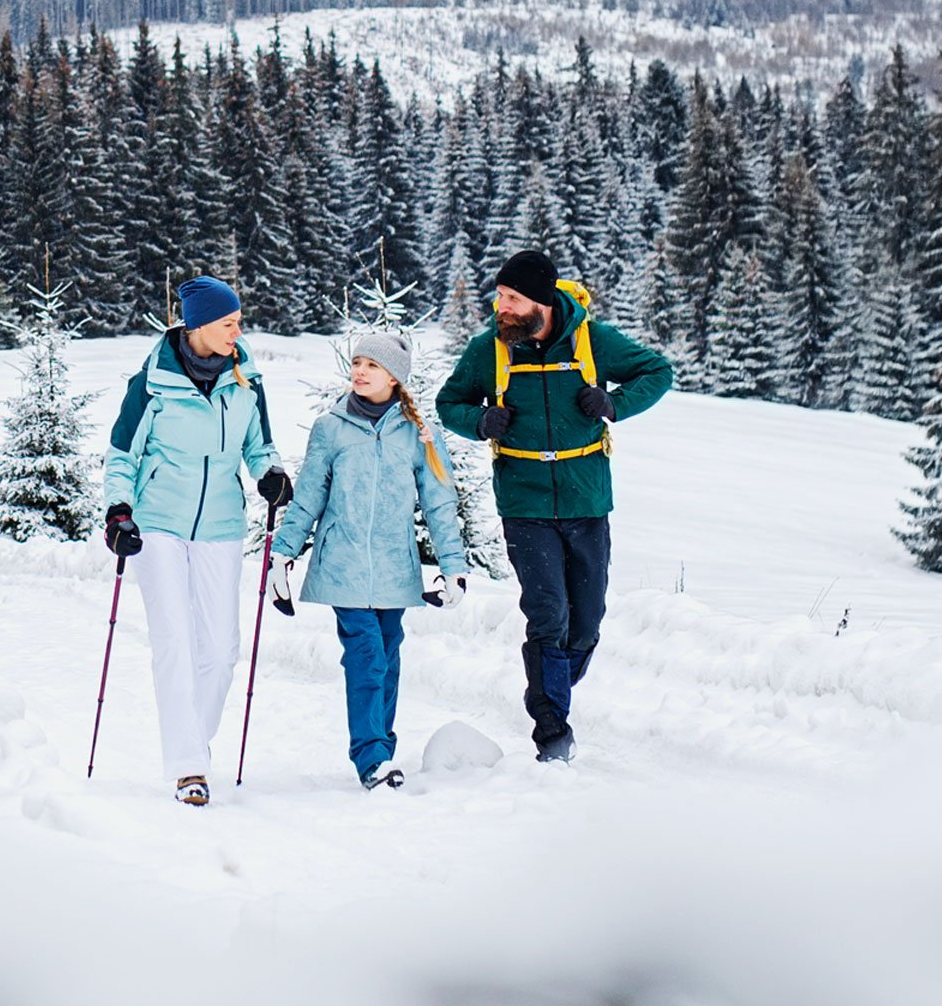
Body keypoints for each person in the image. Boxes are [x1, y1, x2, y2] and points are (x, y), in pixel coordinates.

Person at [435, 250, 673, 763]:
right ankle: (552, 733)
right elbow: (447, 402)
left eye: (512, 298)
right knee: (548, 614)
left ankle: (553, 687)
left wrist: (613, 405)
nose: (501, 306)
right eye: (500, 296)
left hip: (587, 497)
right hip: (524, 501)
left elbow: (657, 371)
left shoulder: (592, 341)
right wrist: (479, 422)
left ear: (541, 303)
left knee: (586, 622)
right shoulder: (490, 350)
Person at [101, 275, 293, 806]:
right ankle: (189, 767)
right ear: (199, 325)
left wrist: (269, 473)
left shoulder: (247, 378)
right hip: (158, 522)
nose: (238, 331)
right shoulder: (152, 382)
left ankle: (195, 746)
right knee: (174, 639)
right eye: (229, 323)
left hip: (221, 525)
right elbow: (122, 454)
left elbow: (261, 445)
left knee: (223, 649)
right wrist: (119, 510)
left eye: (238, 322)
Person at [267, 333, 469, 791]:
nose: (359, 371)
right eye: (356, 362)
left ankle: (381, 747)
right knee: (366, 655)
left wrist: (452, 566)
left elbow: (439, 502)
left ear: (394, 377)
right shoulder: (331, 428)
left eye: (371, 365)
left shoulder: (421, 433)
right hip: (343, 562)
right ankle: (372, 757)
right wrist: (283, 554)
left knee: (388, 655)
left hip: (395, 566)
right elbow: (310, 497)